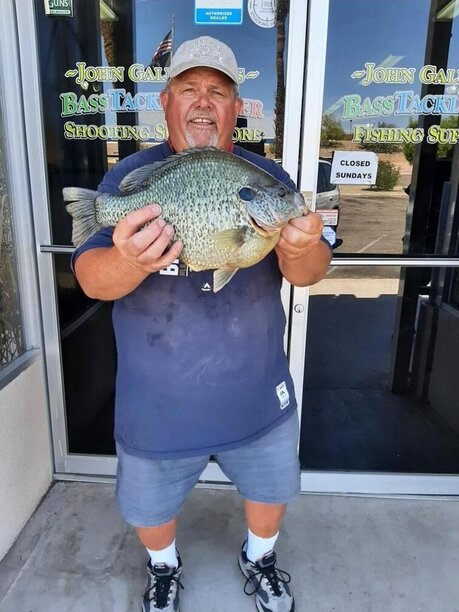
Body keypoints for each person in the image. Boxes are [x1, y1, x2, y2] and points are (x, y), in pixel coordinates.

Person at [72, 36, 331, 612]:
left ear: (237, 108)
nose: (202, 102)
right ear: (165, 102)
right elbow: (92, 278)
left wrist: (301, 244)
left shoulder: (265, 177)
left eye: (217, 91)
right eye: (189, 89)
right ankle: (163, 568)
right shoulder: (130, 179)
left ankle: (258, 556)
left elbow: (310, 270)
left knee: (270, 491)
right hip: (157, 399)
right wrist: (128, 260)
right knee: (148, 507)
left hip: (255, 391)